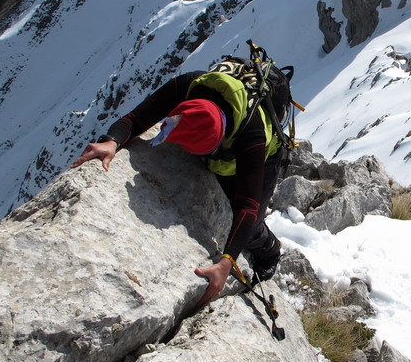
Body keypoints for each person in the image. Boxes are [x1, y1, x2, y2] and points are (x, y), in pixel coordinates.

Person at [71, 67, 286, 307]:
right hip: (225, 139)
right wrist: (111, 141)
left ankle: (270, 251)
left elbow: (248, 206)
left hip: (265, 157)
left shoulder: (251, 134)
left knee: (250, 225)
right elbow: (136, 118)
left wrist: (227, 261)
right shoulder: (189, 85)